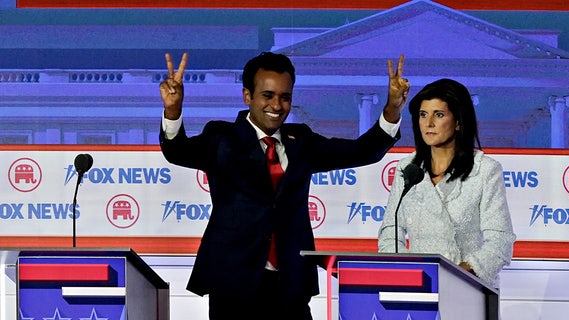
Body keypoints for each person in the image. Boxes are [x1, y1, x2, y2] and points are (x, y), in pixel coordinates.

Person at [159, 51, 410, 319]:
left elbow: (362, 152)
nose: (277, 105)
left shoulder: (301, 141)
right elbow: (178, 151)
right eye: (268, 95)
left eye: (285, 97)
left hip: (291, 284)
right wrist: (173, 110)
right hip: (233, 283)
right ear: (248, 96)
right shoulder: (222, 138)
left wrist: (392, 109)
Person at [377, 78, 516, 287]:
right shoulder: (407, 168)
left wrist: (456, 277)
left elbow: (500, 242)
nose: (428, 123)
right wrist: (402, 273)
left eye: (438, 115)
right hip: (417, 290)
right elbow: (390, 231)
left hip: (467, 289)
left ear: (458, 121)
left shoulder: (485, 170)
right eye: (423, 115)